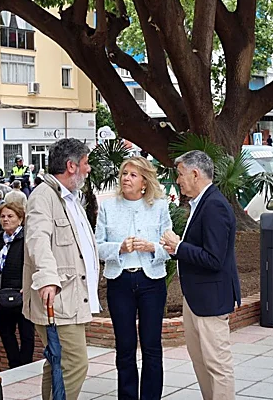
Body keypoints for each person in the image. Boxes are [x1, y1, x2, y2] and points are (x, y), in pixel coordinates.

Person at [160, 151, 239, 400]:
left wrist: (180, 247)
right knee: (201, 363)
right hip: (195, 298)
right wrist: (178, 249)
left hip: (211, 300)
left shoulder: (214, 205)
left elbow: (214, 259)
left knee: (217, 365)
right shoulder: (201, 203)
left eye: (181, 174)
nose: (178, 180)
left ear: (195, 174)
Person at [23, 138, 98, 400]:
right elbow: (37, 238)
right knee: (75, 362)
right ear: (71, 166)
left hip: (71, 298)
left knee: (56, 362)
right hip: (59, 298)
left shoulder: (69, 197)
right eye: (86, 163)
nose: (88, 169)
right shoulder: (44, 196)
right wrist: (46, 278)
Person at [97, 157, 173, 400]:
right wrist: (119, 248)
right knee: (125, 347)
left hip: (152, 282)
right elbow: (97, 247)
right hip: (119, 282)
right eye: (124, 173)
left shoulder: (159, 206)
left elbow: (170, 248)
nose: (126, 178)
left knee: (152, 346)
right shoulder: (108, 207)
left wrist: (152, 247)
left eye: (132, 174)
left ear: (144, 182)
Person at [0, 191, 35, 369]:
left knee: (26, 332)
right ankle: (14, 364)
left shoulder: (27, 239)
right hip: (2, 293)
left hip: (22, 293)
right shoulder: (0, 238)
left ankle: (25, 365)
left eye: (10, 216)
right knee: (6, 332)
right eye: (3, 216)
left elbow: (36, 263)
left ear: (20, 219)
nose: (5, 220)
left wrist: (28, 285)